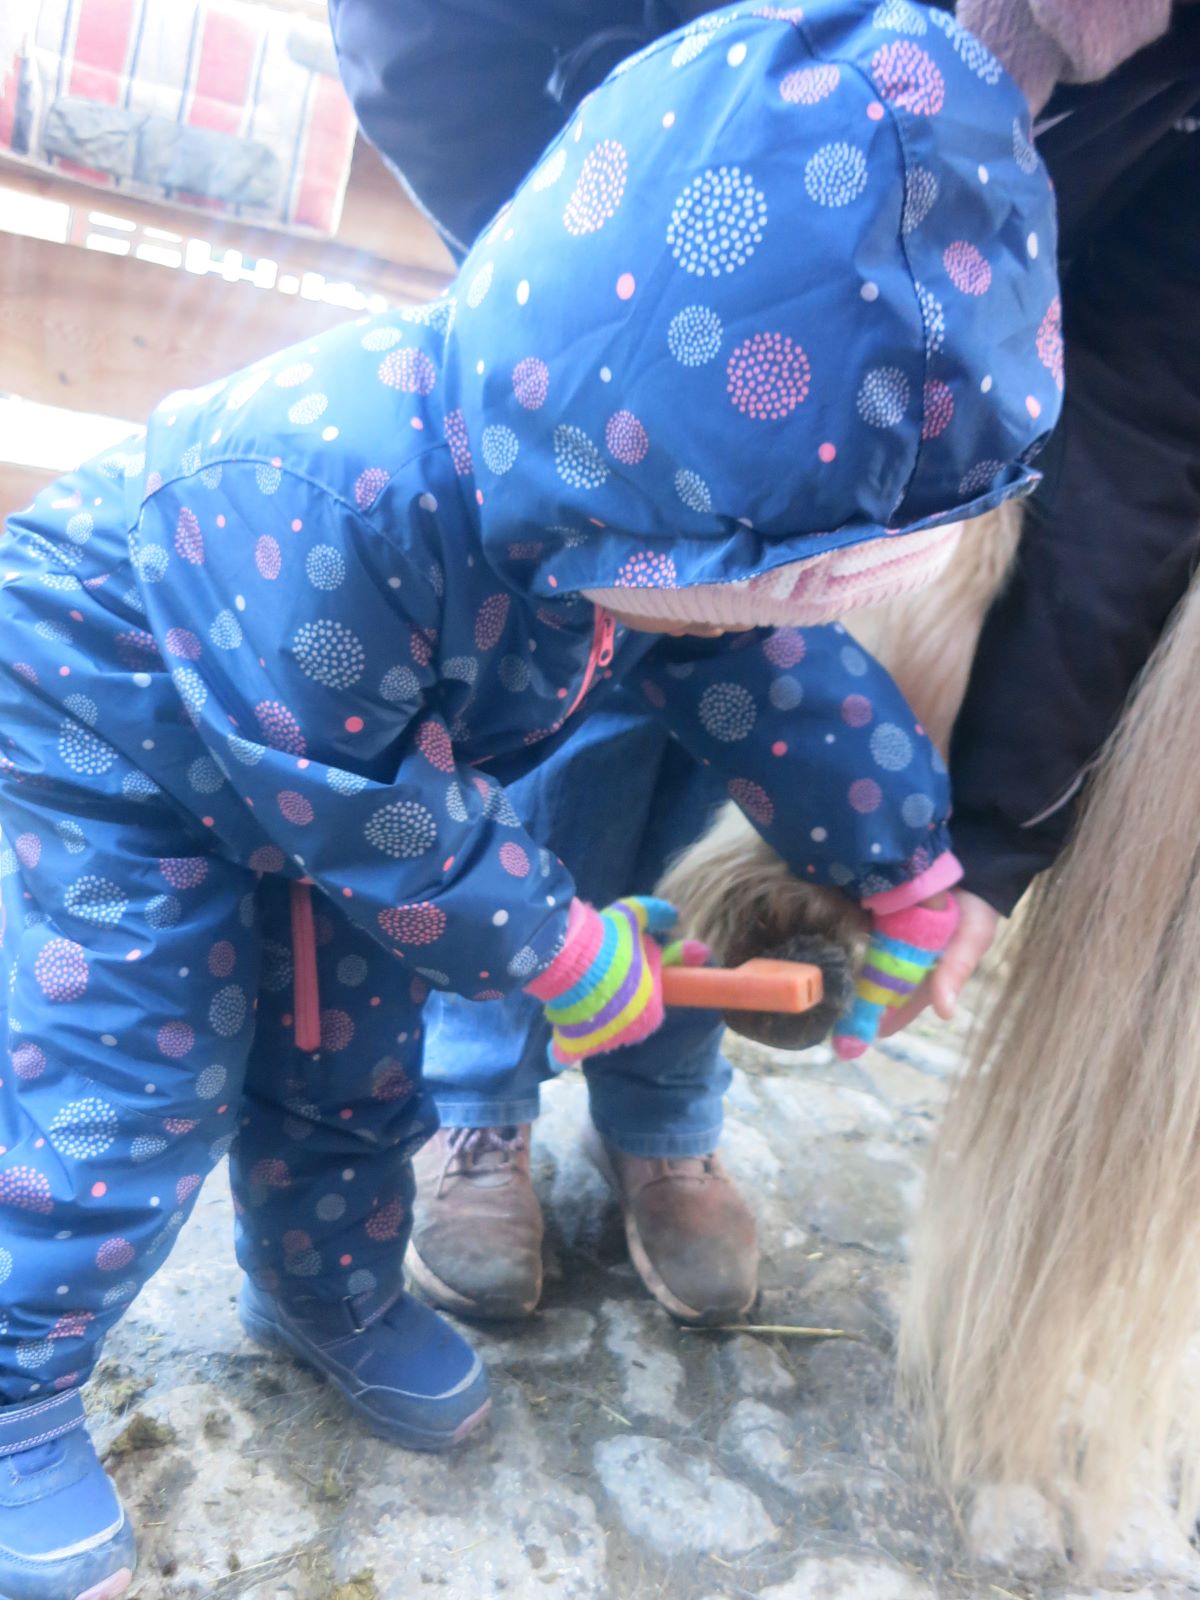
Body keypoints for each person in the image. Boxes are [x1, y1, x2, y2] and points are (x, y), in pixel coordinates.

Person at [0, 5, 1060, 1594]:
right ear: (635, 489)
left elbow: (778, 683)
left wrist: (908, 866)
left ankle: (325, 1286)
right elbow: (364, 805)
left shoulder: (619, 517)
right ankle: (16, 1385)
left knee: (351, 1042)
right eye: (779, 574)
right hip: (127, 732)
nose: (788, 610)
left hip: (361, 776)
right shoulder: (330, 485)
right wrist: (558, 942)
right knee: (135, 1067)